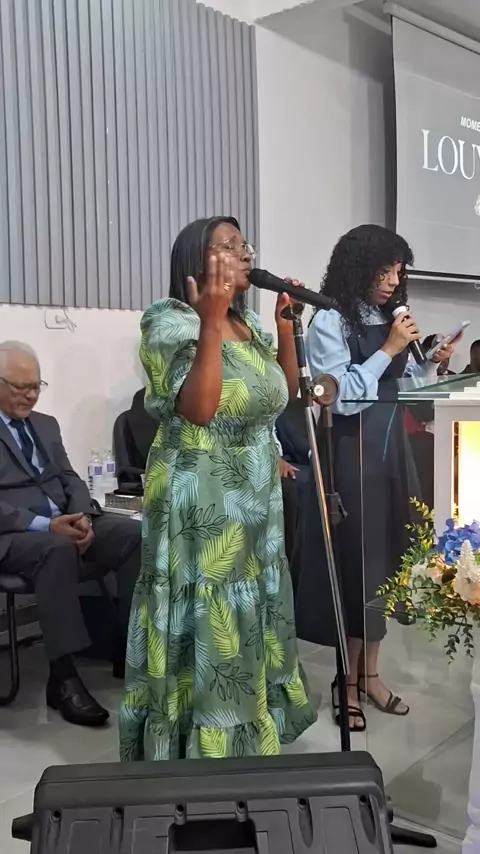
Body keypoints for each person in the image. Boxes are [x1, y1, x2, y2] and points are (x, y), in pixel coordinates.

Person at [119, 216, 316, 761]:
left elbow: (279, 394)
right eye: (228, 246)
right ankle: (196, 746)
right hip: (200, 496)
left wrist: (283, 330)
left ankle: (247, 736)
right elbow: (200, 409)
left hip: (254, 498)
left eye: (243, 244)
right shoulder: (169, 321)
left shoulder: (247, 323)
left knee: (250, 611)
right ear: (196, 261)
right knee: (210, 615)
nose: (244, 253)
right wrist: (208, 321)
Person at [293, 225, 457, 732]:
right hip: (352, 453)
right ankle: (344, 683)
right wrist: (389, 348)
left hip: (391, 451)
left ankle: (371, 674)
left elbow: (401, 386)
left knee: (387, 562)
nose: (392, 281)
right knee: (356, 564)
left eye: (398, 272)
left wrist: (430, 364)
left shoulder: (388, 318)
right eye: (384, 271)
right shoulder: (329, 320)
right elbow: (339, 397)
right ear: (358, 267)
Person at [0, 342, 141, 726]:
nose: (30, 395)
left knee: (134, 535)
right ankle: (63, 680)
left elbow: (69, 477)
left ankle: (128, 650)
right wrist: (48, 525)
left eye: (36, 386)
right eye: (20, 387)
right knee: (57, 549)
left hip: (65, 522)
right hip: (15, 533)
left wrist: (82, 516)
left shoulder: (45, 424)